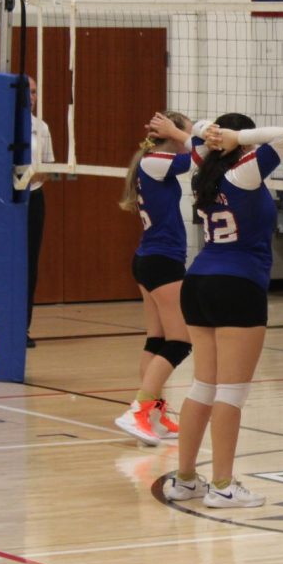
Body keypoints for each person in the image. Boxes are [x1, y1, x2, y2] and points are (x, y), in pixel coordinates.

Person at [165, 113, 283, 509]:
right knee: (231, 393)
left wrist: (209, 132)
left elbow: (197, 130)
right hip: (238, 285)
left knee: (203, 386)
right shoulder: (245, 171)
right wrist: (237, 136)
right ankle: (222, 485)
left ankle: (186, 479)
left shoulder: (204, 167)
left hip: (199, 281)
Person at [113, 112, 194, 446]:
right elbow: (197, 157)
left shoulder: (152, 161)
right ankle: (139, 411)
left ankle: (154, 414)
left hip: (151, 259)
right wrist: (182, 133)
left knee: (158, 339)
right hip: (161, 261)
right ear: (171, 134)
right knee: (182, 341)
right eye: (186, 131)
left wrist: (179, 134)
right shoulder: (155, 160)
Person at [0, 76, 54, 348]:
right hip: (3, 202)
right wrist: (8, 176)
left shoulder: (41, 128)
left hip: (33, 199)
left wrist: (28, 176)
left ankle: (23, 328)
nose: (30, 97)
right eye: (26, 92)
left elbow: (49, 169)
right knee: (1, 263)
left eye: (34, 91)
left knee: (28, 265)